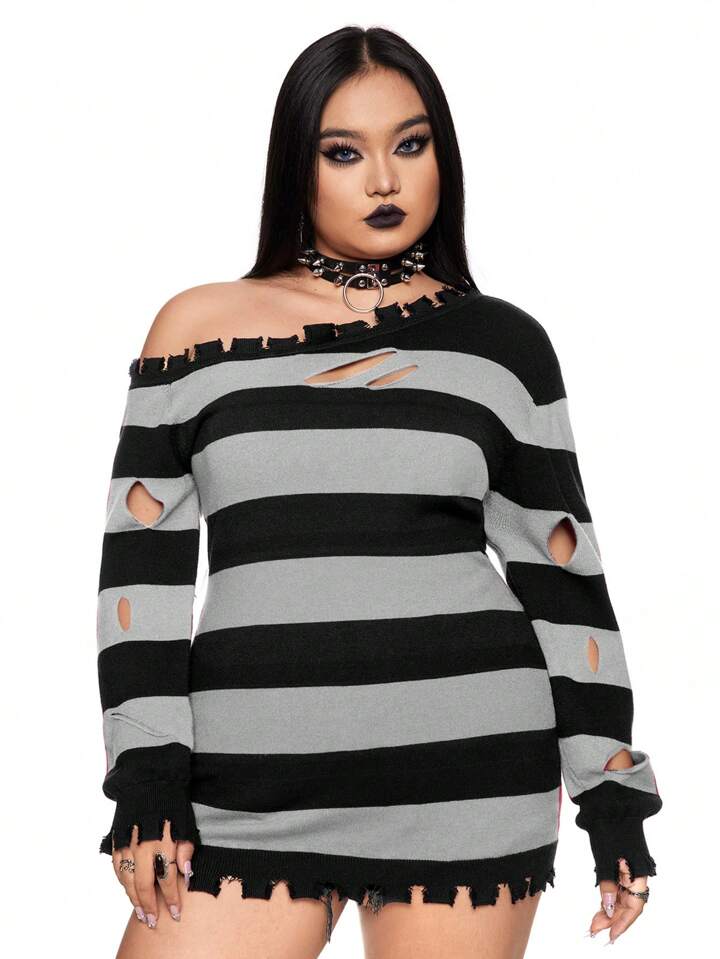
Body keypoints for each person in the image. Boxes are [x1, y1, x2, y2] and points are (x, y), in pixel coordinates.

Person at [95, 24, 663, 959]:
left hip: (467, 778)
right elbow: (140, 582)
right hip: (245, 786)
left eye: (411, 143)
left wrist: (612, 796)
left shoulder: (502, 345)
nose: (385, 180)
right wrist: (147, 779)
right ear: (297, 164)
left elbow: (566, 585)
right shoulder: (194, 334)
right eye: (344, 153)